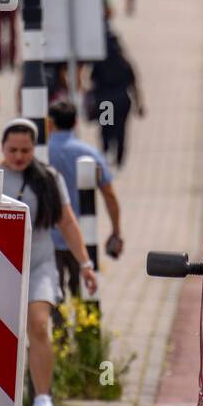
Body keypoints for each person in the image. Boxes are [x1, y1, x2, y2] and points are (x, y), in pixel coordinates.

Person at [0, 119, 97, 406]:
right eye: (13, 149)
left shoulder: (48, 178)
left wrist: (85, 264)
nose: (19, 156)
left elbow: (67, 222)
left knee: (39, 326)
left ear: (34, 149)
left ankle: (43, 398)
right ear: (2, 147)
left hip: (39, 264)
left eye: (25, 150)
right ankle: (6, 403)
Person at [48, 99, 123, 297]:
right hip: (82, 236)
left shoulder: (41, 153)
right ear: (75, 123)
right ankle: (83, 326)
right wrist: (116, 231)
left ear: (50, 123)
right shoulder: (89, 153)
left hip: (48, 237)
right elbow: (109, 195)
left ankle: (59, 327)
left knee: (53, 295)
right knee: (84, 293)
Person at [88, 29, 144, 167]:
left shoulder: (99, 63)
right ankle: (119, 158)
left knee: (106, 128)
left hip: (106, 102)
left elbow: (91, 82)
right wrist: (139, 104)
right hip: (122, 100)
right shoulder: (124, 63)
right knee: (121, 129)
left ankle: (106, 154)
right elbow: (134, 85)